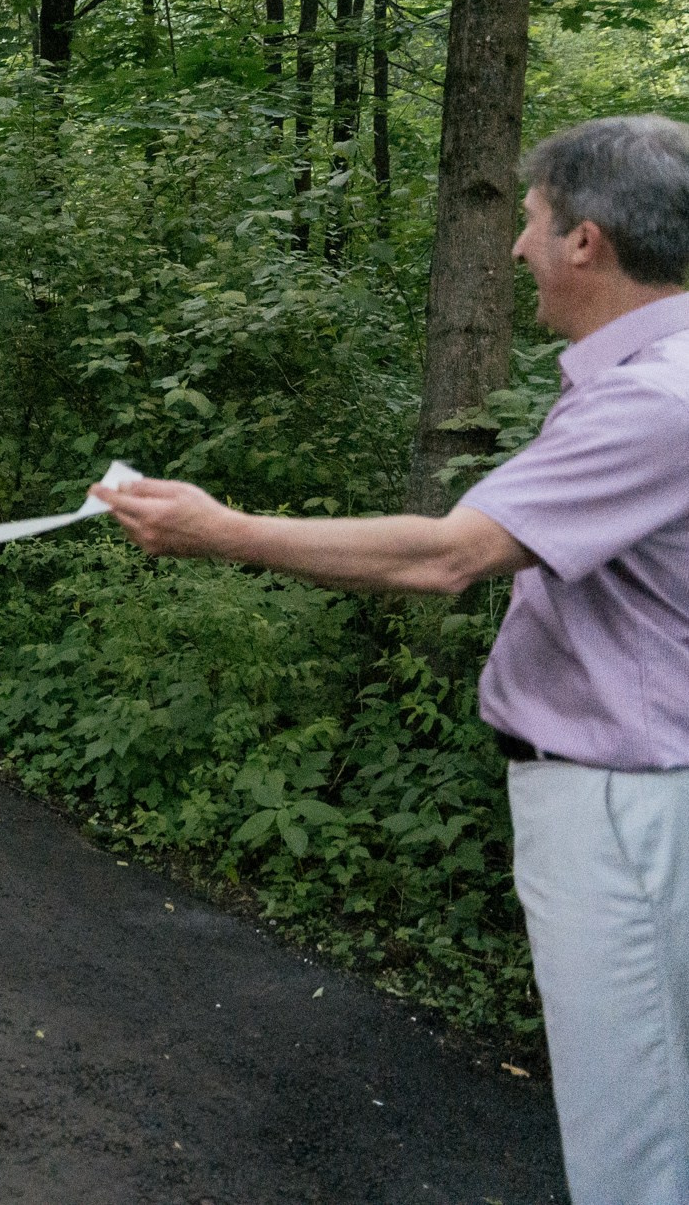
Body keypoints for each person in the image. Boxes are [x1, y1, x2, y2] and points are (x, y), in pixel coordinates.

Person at [93, 115, 689, 1205]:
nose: (515, 246)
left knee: (637, 1132)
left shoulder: (659, 398)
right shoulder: (651, 376)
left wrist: (219, 528)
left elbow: (451, 553)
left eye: (531, 220)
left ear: (585, 242)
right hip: (631, 794)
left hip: (623, 806)